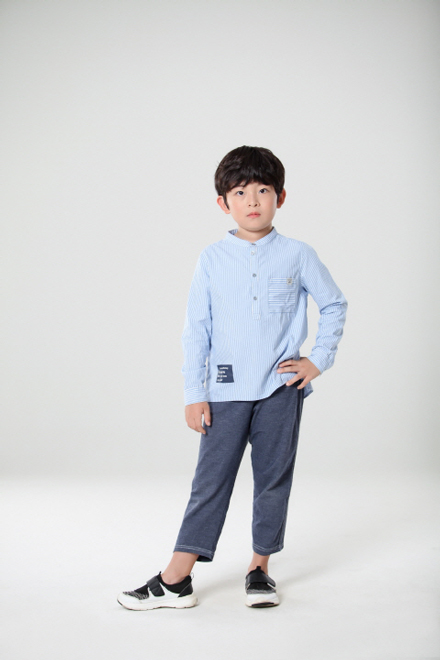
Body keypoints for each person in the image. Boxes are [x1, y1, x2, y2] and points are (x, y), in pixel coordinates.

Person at [117, 145, 348, 611]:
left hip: (281, 390)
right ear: (223, 203)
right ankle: (176, 579)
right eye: (240, 192)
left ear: (281, 196)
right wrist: (193, 392)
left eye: (263, 190)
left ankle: (259, 569)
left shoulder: (298, 255)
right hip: (224, 391)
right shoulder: (211, 259)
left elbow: (335, 304)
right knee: (211, 481)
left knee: (273, 480)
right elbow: (196, 329)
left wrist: (317, 359)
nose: (253, 200)